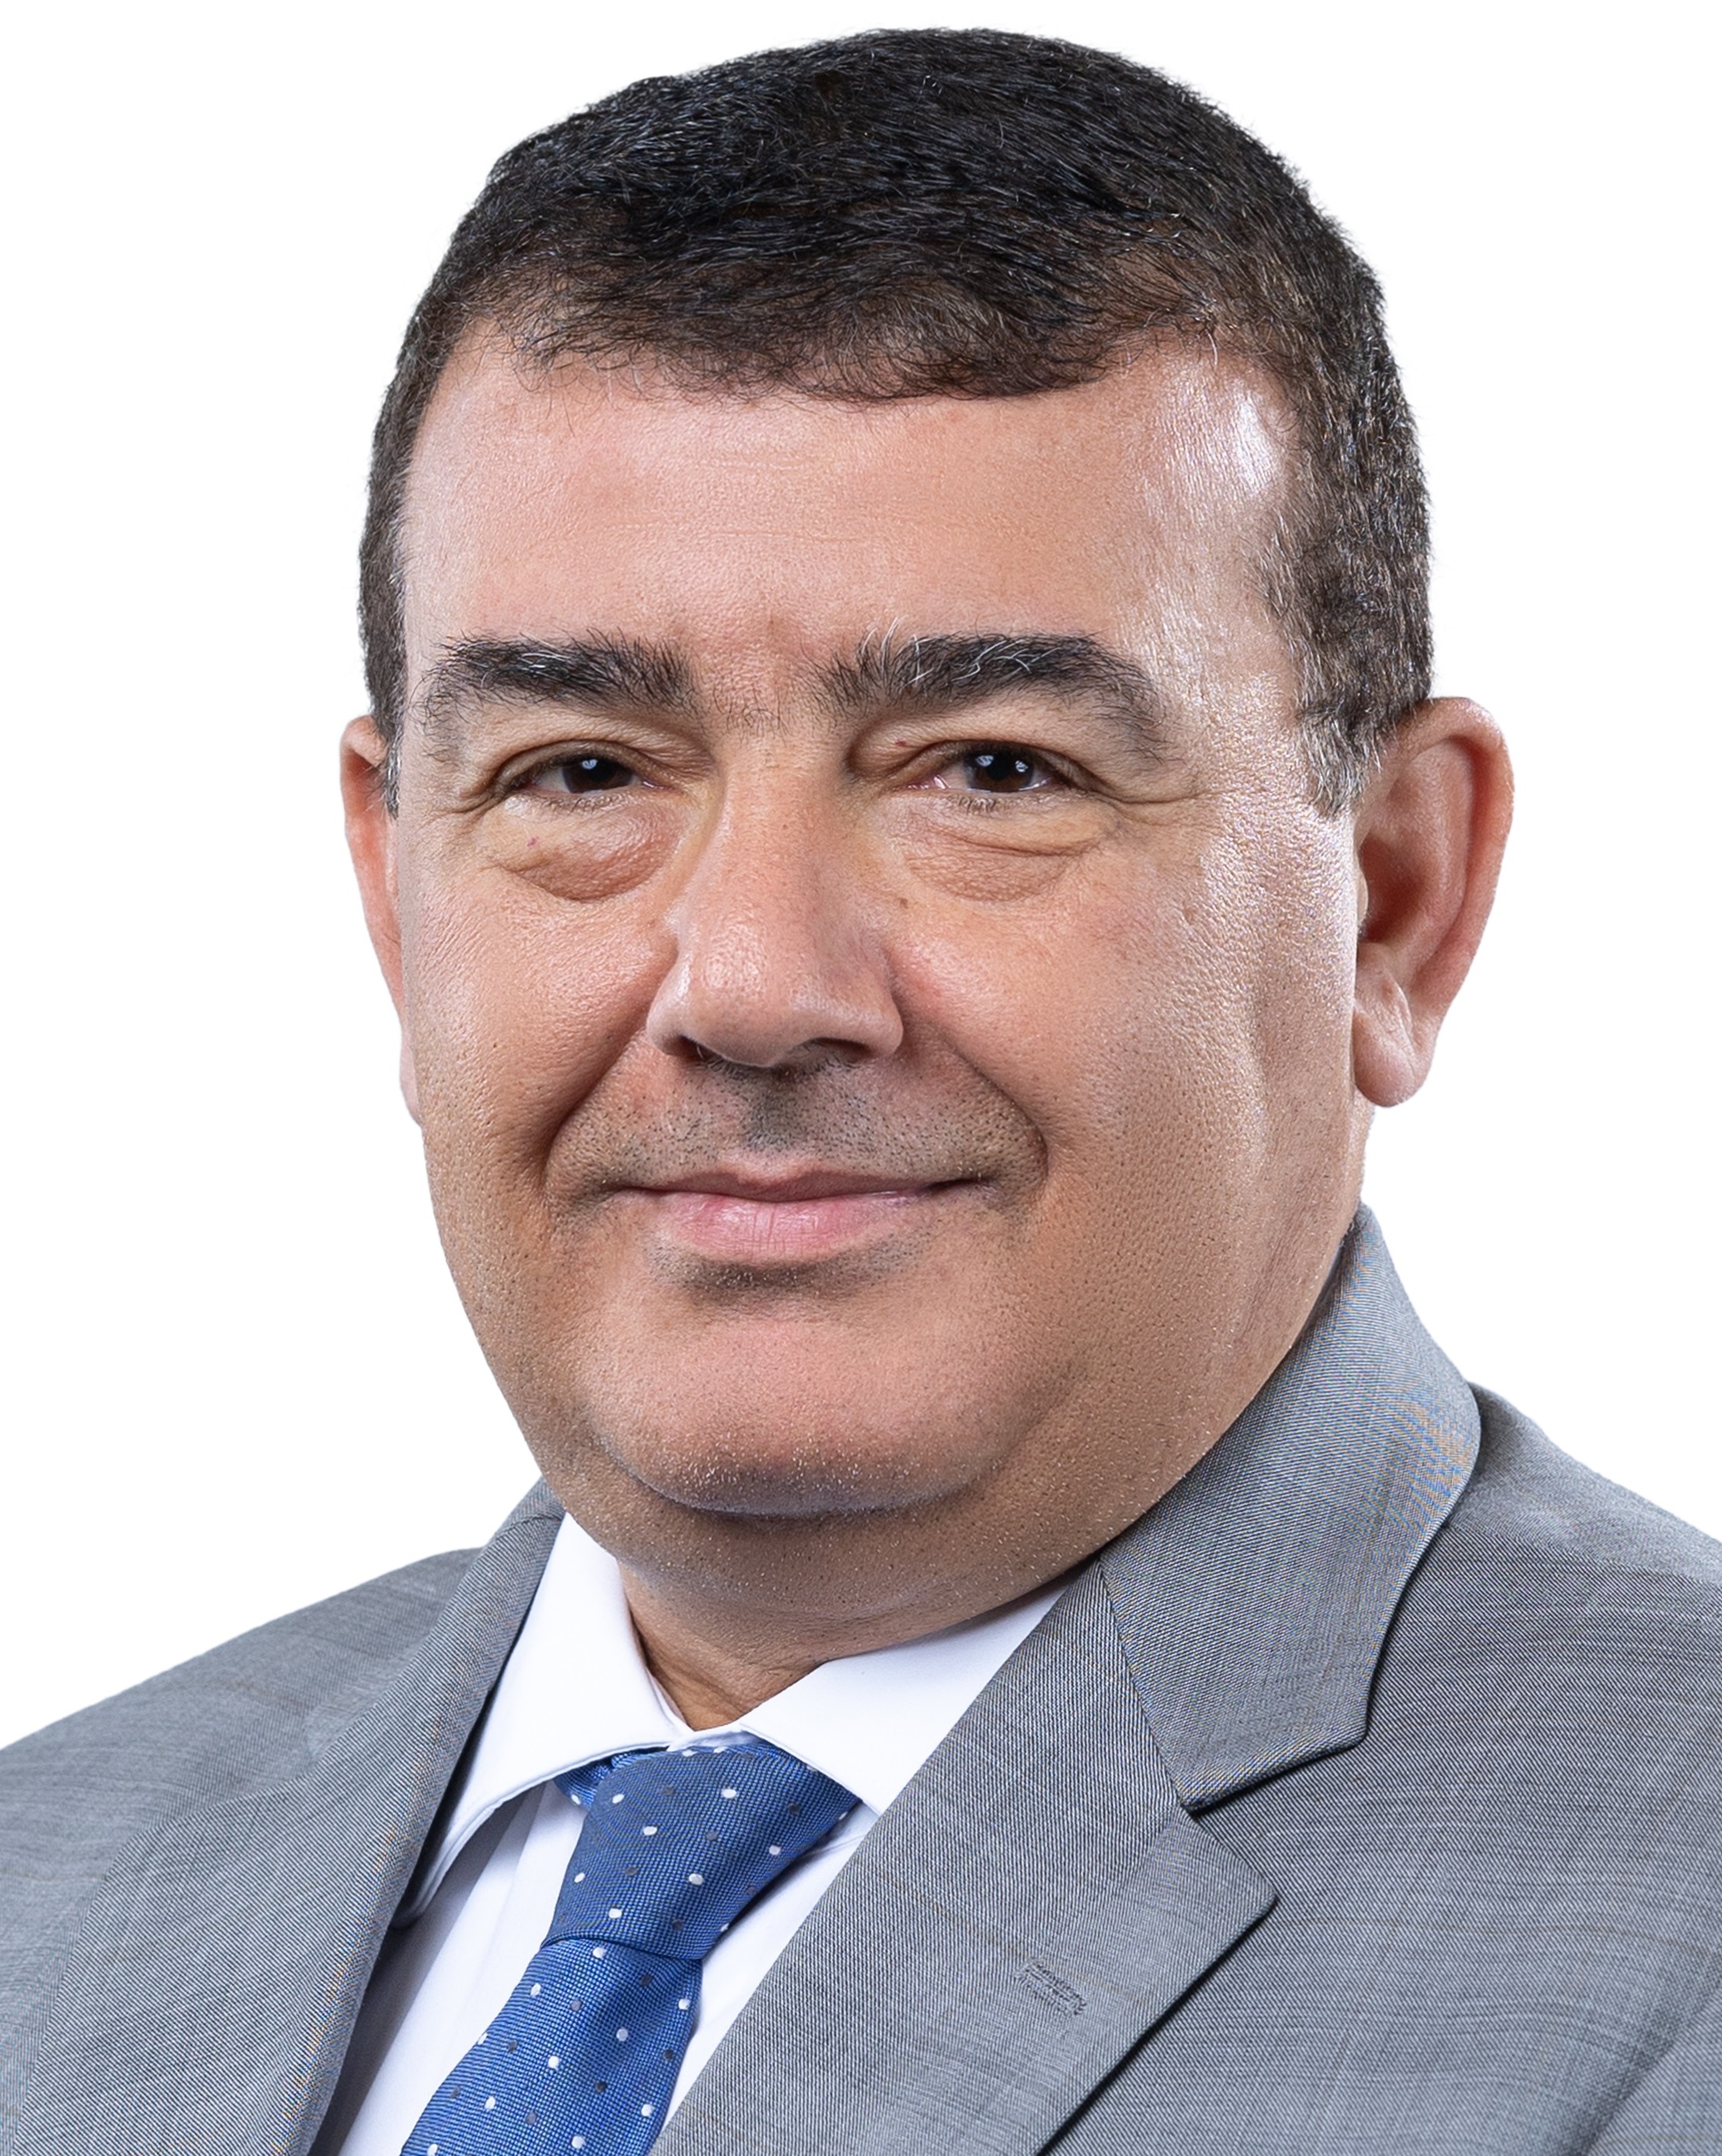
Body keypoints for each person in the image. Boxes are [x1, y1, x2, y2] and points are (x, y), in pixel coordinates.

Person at [2, 26, 1718, 2154]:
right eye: (583, 775)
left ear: (1396, 897)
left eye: (992, 770)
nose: (752, 987)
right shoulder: (42, 1885)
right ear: (398, 893)